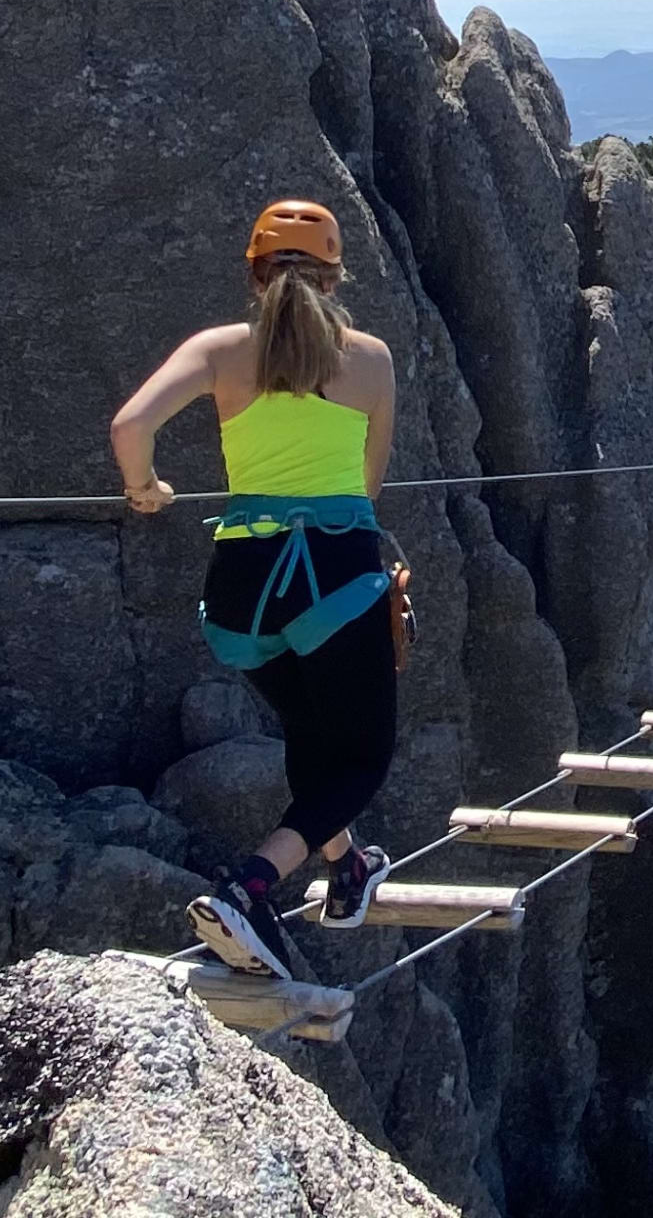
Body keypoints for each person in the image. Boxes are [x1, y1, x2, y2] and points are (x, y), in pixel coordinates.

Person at [112, 197, 402, 983]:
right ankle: (250, 886)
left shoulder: (217, 350)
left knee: (311, 729)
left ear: (253, 272)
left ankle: (346, 866)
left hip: (241, 592)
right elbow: (364, 493)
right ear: (337, 274)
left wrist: (145, 488)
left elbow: (129, 427)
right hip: (334, 576)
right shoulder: (370, 359)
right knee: (362, 758)